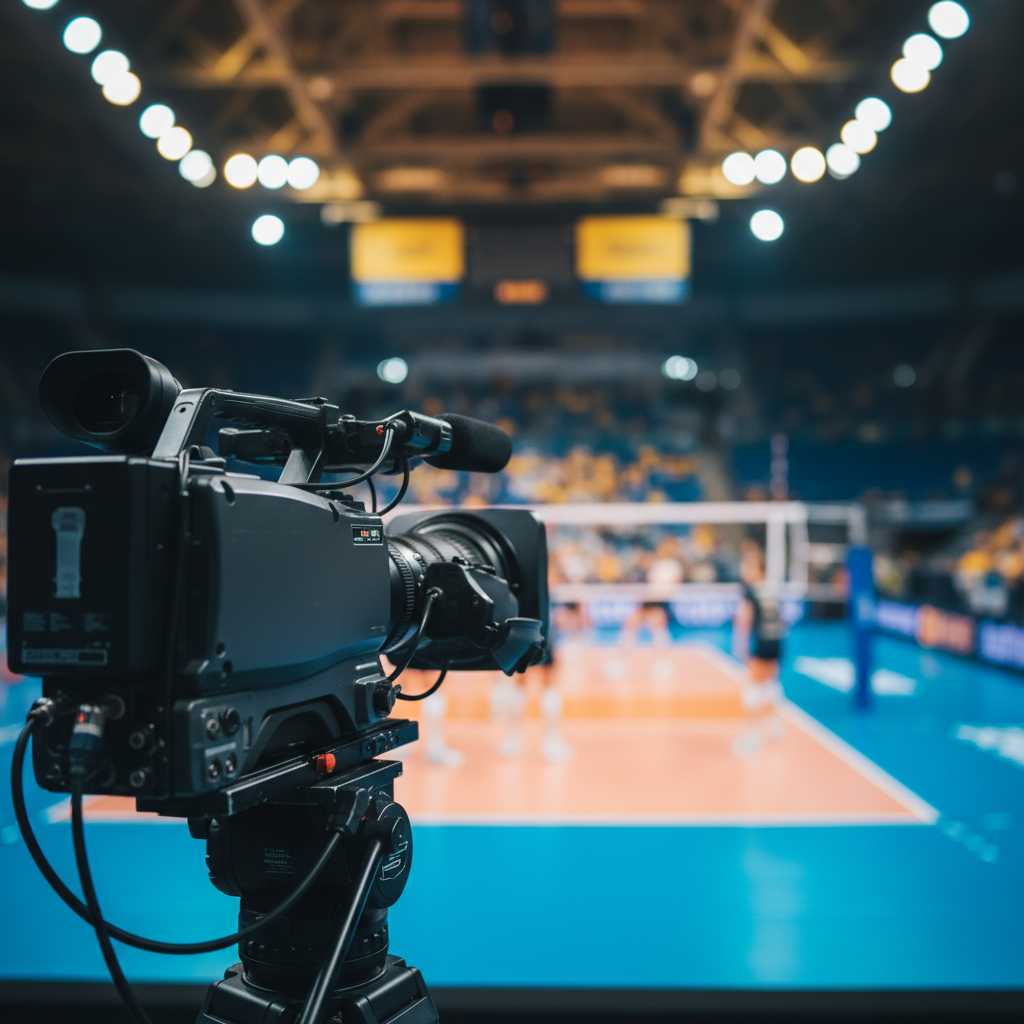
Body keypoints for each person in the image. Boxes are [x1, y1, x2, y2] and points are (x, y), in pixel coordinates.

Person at [731, 541, 785, 756]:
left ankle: (752, 737)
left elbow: (744, 619)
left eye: (747, 567)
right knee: (770, 682)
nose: (744, 571)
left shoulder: (750, 592)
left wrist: (741, 647)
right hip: (776, 641)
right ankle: (774, 723)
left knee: (751, 687)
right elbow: (781, 618)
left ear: (757, 569)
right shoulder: (771, 588)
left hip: (761, 642)